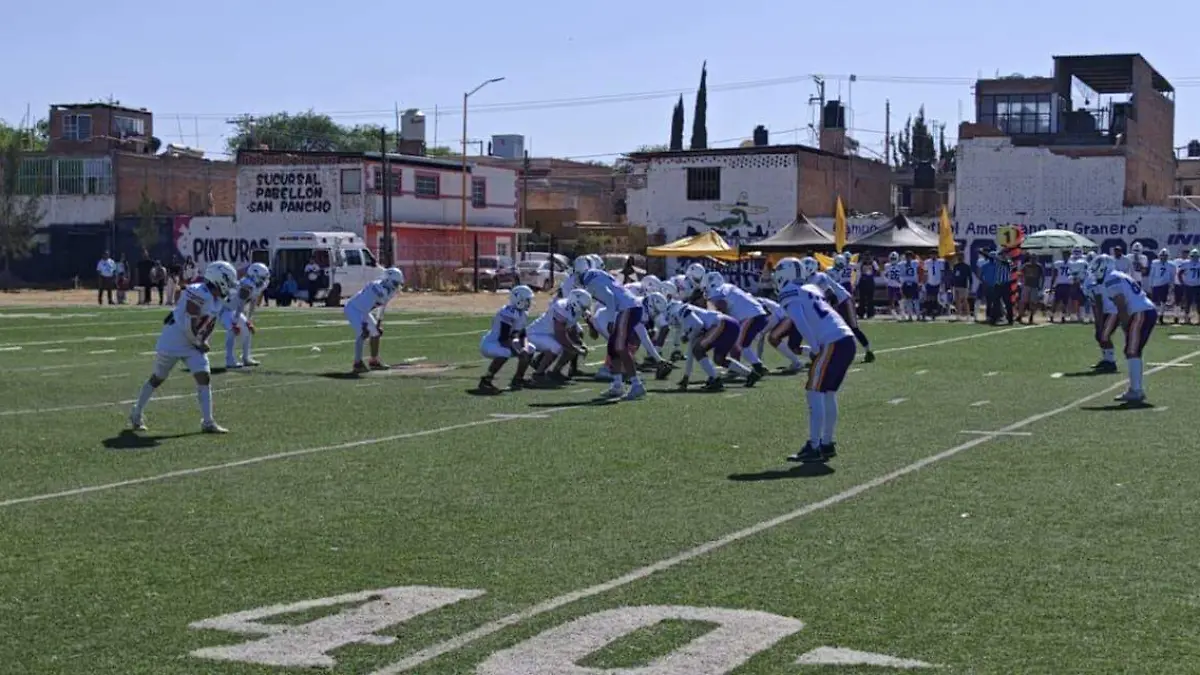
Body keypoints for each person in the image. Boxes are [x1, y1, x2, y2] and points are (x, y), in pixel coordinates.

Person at [128, 261, 238, 434]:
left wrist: (203, 340)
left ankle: (208, 421)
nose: (230, 287)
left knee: (204, 376)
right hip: (174, 339)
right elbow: (189, 323)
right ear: (219, 280)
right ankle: (136, 412)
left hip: (192, 341)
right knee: (158, 378)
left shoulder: (215, 298)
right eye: (229, 282)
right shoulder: (199, 293)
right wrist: (199, 342)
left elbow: (205, 324)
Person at [773, 257, 857, 464]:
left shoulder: (789, 292)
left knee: (814, 390)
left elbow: (800, 319)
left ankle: (814, 445)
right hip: (846, 339)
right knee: (828, 393)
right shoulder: (811, 288)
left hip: (832, 341)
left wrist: (815, 346)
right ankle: (827, 443)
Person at [1093, 253, 1157, 403]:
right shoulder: (1118, 275)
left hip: (1140, 312)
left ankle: (1136, 391)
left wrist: (1125, 324)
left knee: (1132, 351)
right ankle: (1135, 389)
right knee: (1132, 351)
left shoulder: (1111, 279)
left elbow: (1121, 304)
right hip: (1144, 310)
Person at [343, 267, 404, 373]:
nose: (396, 285)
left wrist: (378, 323)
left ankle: (374, 361)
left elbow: (382, 306)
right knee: (362, 333)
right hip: (354, 308)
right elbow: (366, 306)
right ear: (388, 280)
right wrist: (364, 323)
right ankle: (357, 363)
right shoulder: (376, 287)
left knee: (375, 333)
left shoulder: (389, 291)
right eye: (395, 282)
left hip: (364, 310)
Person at [478, 285, 536, 393]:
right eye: (528, 300)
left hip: (504, 341)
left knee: (530, 349)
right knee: (505, 352)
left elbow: (522, 335)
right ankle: (486, 380)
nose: (530, 303)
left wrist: (524, 347)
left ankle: (518, 379)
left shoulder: (522, 313)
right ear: (520, 299)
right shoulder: (507, 312)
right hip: (492, 343)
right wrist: (519, 350)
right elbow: (504, 338)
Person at [222, 262, 271, 368]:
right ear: (255, 275)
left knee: (247, 330)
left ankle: (246, 358)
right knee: (232, 330)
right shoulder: (246, 285)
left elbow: (253, 302)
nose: (264, 280)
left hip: (233, 309)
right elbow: (240, 304)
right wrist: (234, 322)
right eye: (262, 277)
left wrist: (249, 320)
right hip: (224, 309)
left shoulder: (256, 285)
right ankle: (229, 360)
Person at [1017, 256, 1043, 324]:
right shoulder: (1026, 265)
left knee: (1033, 302)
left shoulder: (1039, 266)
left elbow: (1042, 276)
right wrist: (1022, 280)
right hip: (1026, 285)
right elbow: (1019, 273)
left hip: (1035, 286)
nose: (1033, 260)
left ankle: (1031, 317)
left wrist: (1041, 285)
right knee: (1023, 301)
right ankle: (1020, 316)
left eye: (1034, 259)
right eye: (1032, 259)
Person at [949, 254, 972, 321]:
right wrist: (952, 284)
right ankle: (958, 315)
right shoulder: (955, 266)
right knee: (957, 301)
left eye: (961, 257)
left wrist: (970, 285)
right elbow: (953, 276)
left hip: (963, 286)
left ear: (963, 258)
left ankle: (968, 315)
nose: (959, 258)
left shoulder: (966, 266)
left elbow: (970, 277)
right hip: (956, 285)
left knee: (964, 300)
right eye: (959, 257)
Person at [855, 254, 878, 319]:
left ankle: (870, 314)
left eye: (869, 257)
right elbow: (858, 272)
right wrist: (857, 283)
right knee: (862, 299)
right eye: (866, 257)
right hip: (863, 282)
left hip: (870, 282)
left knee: (870, 299)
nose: (867, 258)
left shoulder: (873, 263)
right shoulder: (860, 263)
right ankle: (861, 313)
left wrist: (872, 276)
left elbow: (877, 270)